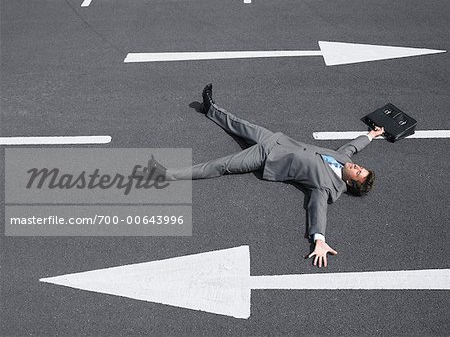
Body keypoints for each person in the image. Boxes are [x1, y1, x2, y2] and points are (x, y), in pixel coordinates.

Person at [140, 84, 385, 268]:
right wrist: (372, 136)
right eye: (360, 168)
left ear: (351, 183)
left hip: (267, 159)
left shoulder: (327, 188)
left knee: (221, 165)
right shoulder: (344, 158)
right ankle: (210, 108)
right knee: (239, 124)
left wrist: (319, 239)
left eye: (358, 173)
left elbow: (317, 209)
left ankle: (168, 175)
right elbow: (353, 146)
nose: (357, 167)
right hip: (276, 140)